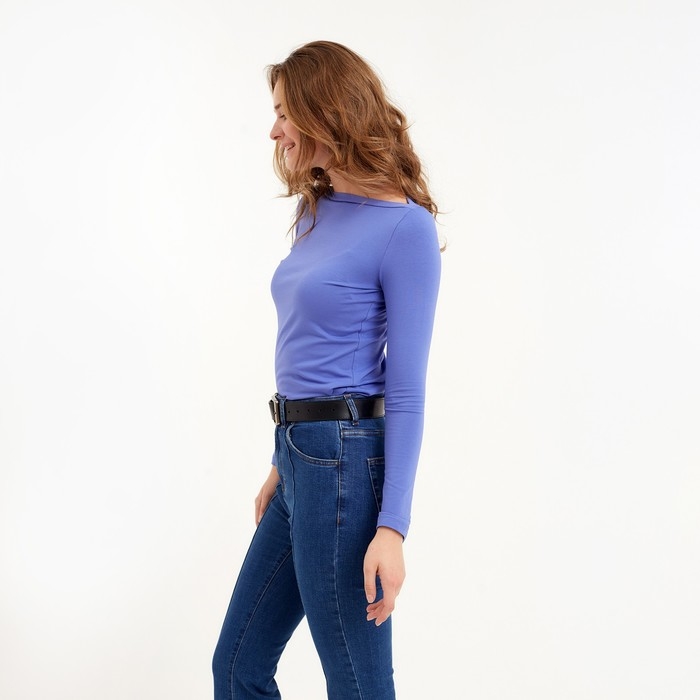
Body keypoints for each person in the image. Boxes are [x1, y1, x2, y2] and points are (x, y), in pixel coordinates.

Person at [212, 40, 442, 700]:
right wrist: (280, 460)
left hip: (344, 463)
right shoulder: (314, 210)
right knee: (237, 666)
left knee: (357, 686)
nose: (275, 130)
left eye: (285, 113)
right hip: (298, 456)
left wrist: (392, 527)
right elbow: (307, 348)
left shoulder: (406, 230)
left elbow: (407, 390)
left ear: (325, 112)